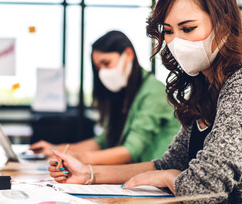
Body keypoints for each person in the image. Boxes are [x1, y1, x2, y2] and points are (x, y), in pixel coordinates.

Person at [48, 0, 242, 203]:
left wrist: (169, 177)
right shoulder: (205, 87)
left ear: (223, 24)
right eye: (168, 31)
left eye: (188, 28)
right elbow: (167, 164)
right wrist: (88, 174)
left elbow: (203, 188)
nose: (175, 42)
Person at [30, 30, 180, 165]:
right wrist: (56, 150)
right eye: (98, 68)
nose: (102, 73)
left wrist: (79, 159)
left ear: (128, 55)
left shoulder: (153, 90)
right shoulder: (122, 93)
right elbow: (104, 141)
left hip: (156, 182)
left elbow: (130, 150)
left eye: (106, 63)